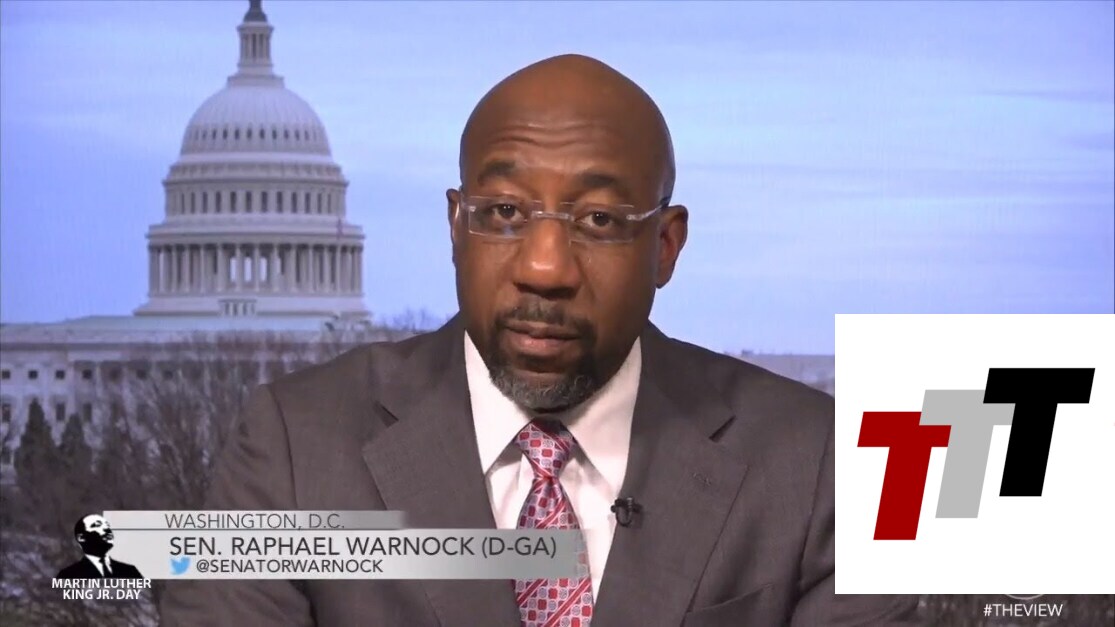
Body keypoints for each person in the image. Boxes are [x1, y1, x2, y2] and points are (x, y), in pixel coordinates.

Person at [161, 54, 919, 626]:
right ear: (455, 226)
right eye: (504, 213)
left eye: (599, 220)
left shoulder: (817, 463)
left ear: (665, 246)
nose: (544, 269)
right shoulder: (295, 446)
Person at [56, 514, 144, 579]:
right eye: (97, 525)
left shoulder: (130, 571)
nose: (106, 529)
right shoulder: (68, 575)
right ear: (81, 537)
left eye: (107, 525)